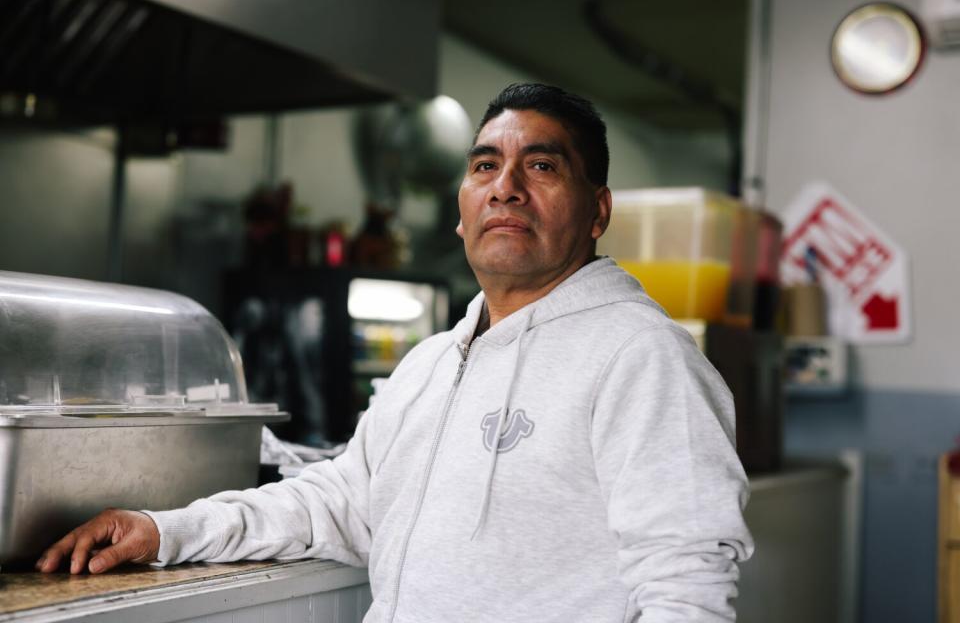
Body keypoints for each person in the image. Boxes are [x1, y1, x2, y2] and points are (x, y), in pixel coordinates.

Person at [37, 83, 754, 622]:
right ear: (462, 206)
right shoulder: (433, 362)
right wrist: (165, 530)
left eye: (541, 167)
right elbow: (343, 503)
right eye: (484, 166)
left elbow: (685, 585)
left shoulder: (640, 355)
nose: (505, 188)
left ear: (597, 210)